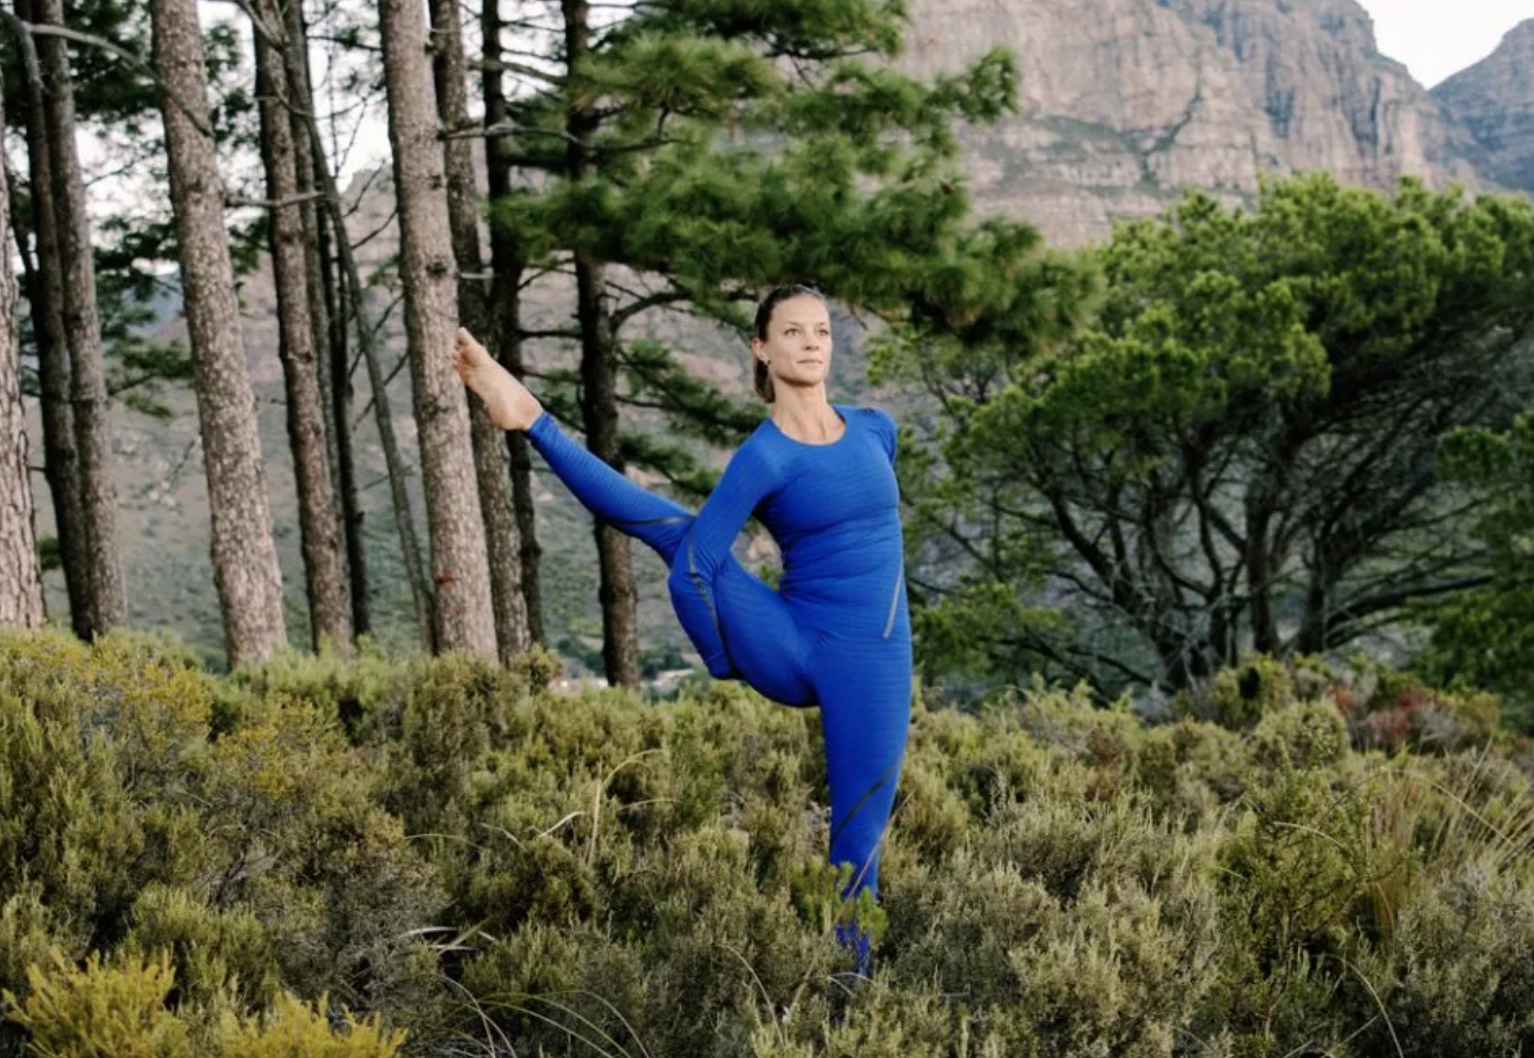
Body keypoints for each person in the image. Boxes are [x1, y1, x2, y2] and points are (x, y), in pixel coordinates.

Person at [451, 284, 910, 977]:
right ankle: (533, 421)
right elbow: (692, 573)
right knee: (681, 539)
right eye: (792, 332)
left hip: (875, 662)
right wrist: (723, 658)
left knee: (859, 839)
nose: (812, 343)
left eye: (820, 330)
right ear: (762, 349)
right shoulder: (764, 457)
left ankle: (851, 995)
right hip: (791, 643)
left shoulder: (876, 428)